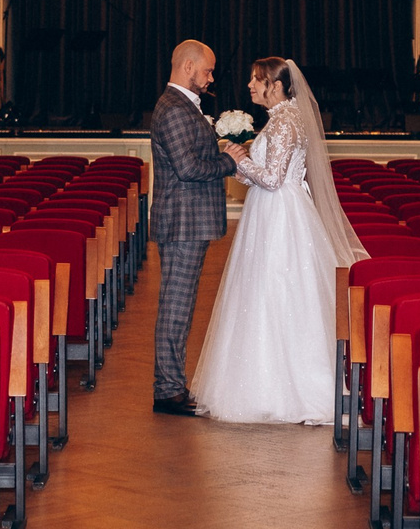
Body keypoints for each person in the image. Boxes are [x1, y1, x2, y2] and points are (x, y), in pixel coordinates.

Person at [189, 56, 369, 426]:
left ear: (276, 85)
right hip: (272, 210)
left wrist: (235, 158)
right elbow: (266, 177)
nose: (250, 86)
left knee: (274, 290)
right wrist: (237, 164)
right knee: (265, 291)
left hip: (280, 217)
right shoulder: (281, 118)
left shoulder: (286, 121)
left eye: (257, 80)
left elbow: (272, 179)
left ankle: (281, 389)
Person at [148, 39, 233, 416]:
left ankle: (172, 385)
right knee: (176, 308)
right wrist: (228, 162)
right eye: (207, 70)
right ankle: (167, 390)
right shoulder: (174, 108)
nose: (211, 77)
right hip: (183, 222)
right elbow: (188, 168)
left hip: (187, 221)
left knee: (179, 307)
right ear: (188, 67)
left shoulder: (181, 105)